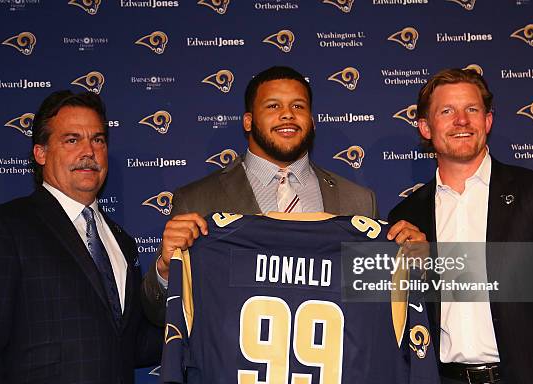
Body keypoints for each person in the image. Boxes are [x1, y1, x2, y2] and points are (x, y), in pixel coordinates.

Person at [142, 65, 425, 325]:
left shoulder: (358, 201)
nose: (287, 114)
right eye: (273, 105)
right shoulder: (197, 201)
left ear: (312, 121)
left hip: (331, 375)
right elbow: (157, 317)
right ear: (248, 121)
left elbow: (374, 309)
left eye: (298, 106)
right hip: (230, 377)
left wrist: (416, 269)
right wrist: (166, 271)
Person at [388, 68, 533, 384]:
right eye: (447, 111)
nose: (462, 121)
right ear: (426, 127)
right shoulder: (406, 217)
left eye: (472, 109)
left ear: (488, 121)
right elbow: (401, 313)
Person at [0, 90, 162, 384]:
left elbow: (131, 345)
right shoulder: (5, 227)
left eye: (98, 140)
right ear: (40, 152)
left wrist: (193, 299)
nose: (89, 152)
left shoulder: (122, 241)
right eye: (72, 140)